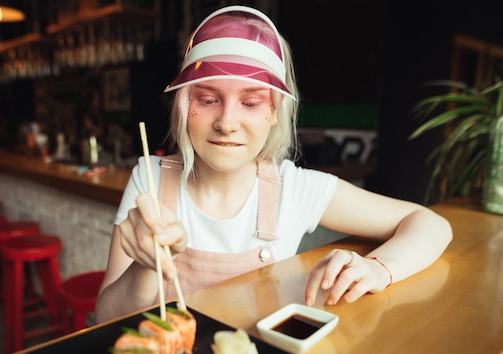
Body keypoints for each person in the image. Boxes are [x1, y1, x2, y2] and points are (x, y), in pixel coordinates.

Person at [94, 5, 452, 323]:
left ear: (274, 115)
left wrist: (377, 270)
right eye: (207, 99)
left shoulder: (295, 189)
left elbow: (430, 225)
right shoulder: (149, 179)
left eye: (250, 103)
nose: (227, 122)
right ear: (184, 107)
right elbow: (105, 318)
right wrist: (145, 266)